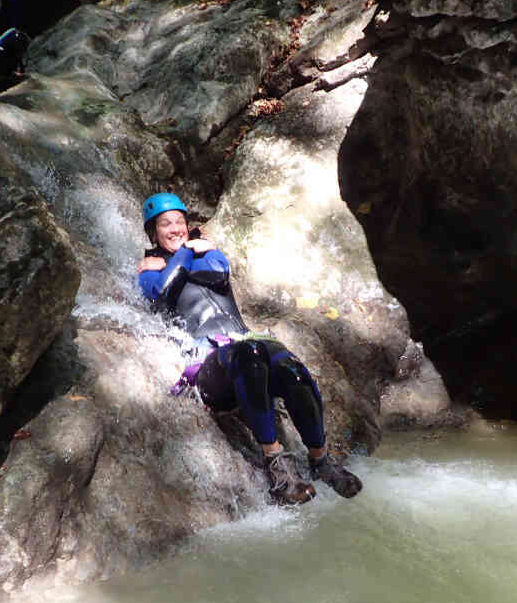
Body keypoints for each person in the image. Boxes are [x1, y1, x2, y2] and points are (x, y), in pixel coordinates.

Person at [137, 193, 362, 504]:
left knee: (291, 368)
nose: (176, 229)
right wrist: (189, 251)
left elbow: (216, 275)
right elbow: (162, 293)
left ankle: (320, 459)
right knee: (249, 354)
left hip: (244, 341)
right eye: (166, 224)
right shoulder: (150, 270)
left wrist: (182, 260)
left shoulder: (210, 256)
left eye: (180, 222)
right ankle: (277, 465)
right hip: (208, 364)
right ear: (153, 232)